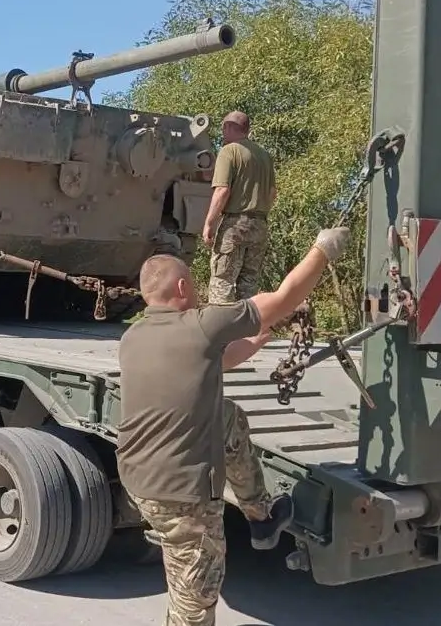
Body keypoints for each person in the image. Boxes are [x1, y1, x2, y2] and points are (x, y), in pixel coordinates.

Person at [115, 225, 350, 626]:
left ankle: (260, 516)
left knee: (228, 417)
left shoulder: (134, 337)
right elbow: (284, 298)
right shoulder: (202, 325)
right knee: (194, 606)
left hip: (139, 480)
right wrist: (323, 249)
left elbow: (216, 361)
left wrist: (262, 337)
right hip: (182, 498)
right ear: (185, 287)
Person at [202, 110, 277, 304]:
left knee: (223, 280)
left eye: (223, 128)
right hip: (260, 225)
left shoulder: (229, 151)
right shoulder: (264, 156)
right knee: (249, 282)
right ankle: (247, 330)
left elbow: (222, 191)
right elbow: (272, 194)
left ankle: (221, 330)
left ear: (228, 126)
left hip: (235, 225)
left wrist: (209, 224)